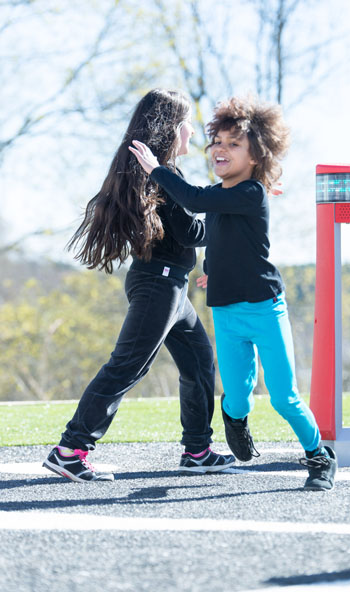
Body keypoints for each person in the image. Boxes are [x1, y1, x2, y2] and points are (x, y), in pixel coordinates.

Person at [129, 95, 338, 491]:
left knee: (283, 396)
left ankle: (320, 457)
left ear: (256, 155)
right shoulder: (223, 194)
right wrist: (213, 271)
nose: (220, 150)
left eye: (233, 144)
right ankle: (236, 418)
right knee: (238, 396)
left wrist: (157, 170)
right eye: (217, 143)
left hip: (264, 309)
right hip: (226, 311)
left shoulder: (250, 194)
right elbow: (221, 238)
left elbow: (193, 199)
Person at [43, 89, 235, 482]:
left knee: (199, 363)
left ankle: (197, 450)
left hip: (172, 288)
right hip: (159, 286)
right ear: (173, 129)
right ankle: (70, 449)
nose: (193, 132)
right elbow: (189, 232)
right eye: (188, 124)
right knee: (127, 366)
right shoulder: (164, 176)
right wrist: (230, 217)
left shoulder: (160, 174)